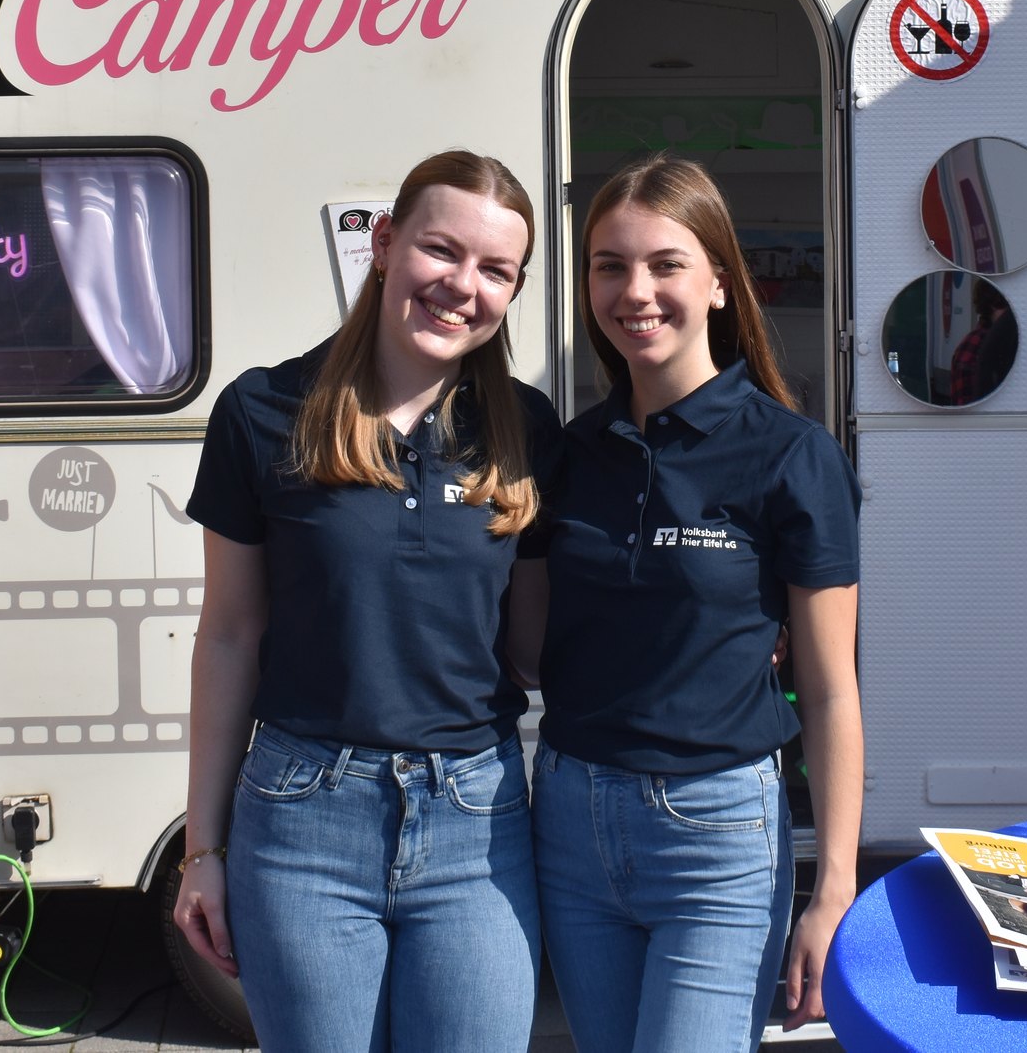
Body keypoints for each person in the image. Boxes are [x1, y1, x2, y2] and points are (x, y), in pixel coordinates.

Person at [172, 150, 558, 1053]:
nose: (462, 286)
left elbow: (537, 649)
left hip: (476, 822)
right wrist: (203, 848)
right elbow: (228, 637)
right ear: (384, 244)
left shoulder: (527, 431)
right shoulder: (264, 411)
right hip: (303, 819)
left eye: (495, 269)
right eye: (441, 250)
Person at [527, 154, 863, 1053]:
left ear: (719, 283)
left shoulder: (792, 455)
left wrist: (832, 889)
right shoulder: (569, 454)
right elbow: (527, 646)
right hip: (569, 819)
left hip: (714, 834)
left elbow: (830, 691)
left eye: (665, 264)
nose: (635, 291)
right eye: (609, 266)